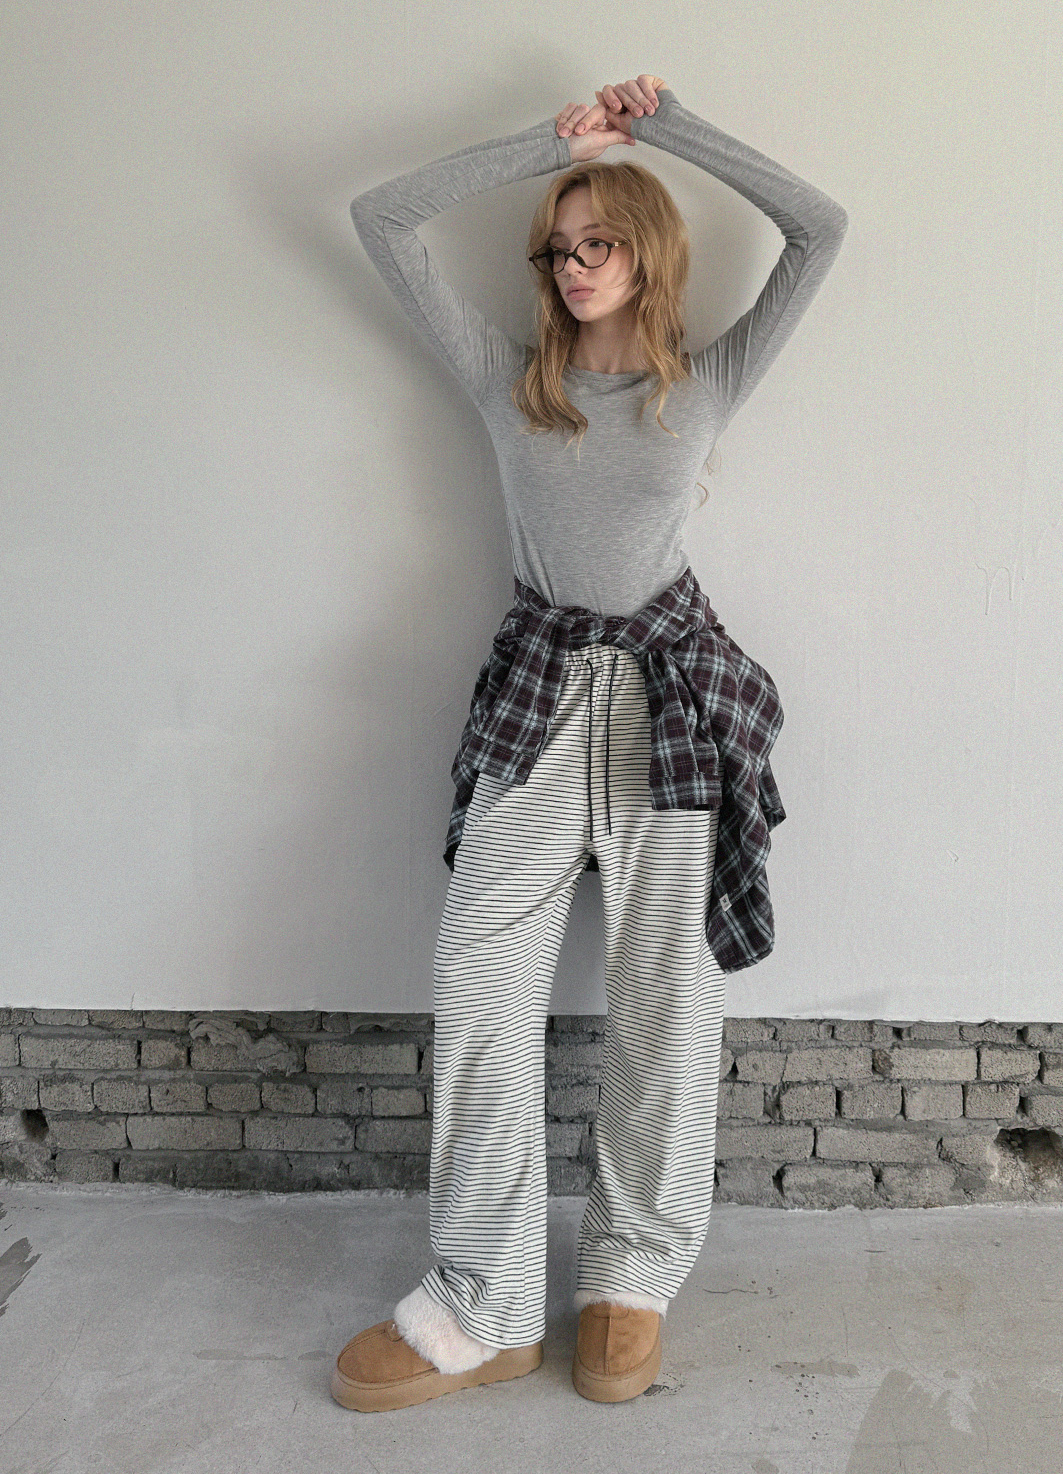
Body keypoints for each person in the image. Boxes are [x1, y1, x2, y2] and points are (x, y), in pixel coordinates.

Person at [331, 75, 849, 1411]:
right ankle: (489, 1299)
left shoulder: (708, 380)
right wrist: (549, 147)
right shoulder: (511, 382)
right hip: (539, 692)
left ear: (649, 252)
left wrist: (667, 130)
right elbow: (382, 219)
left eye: (598, 241)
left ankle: (631, 1278)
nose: (571, 266)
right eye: (556, 248)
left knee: (666, 998)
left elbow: (821, 229)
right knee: (477, 977)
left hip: (673, 700)